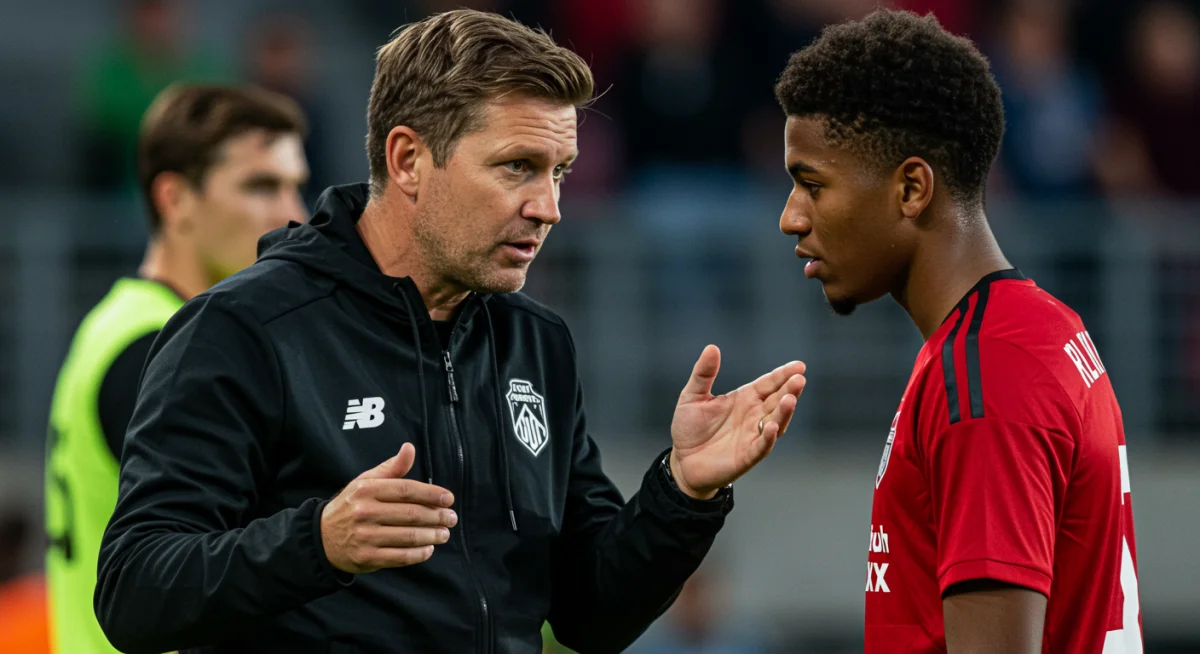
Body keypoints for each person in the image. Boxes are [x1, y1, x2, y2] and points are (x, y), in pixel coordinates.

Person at [95, 10, 808, 654]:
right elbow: (133, 591)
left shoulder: (538, 343)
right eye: (517, 168)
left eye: (560, 172)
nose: (550, 207)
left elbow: (589, 614)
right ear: (408, 159)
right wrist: (318, 543)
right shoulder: (245, 330)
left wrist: (681, 492)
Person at [773, 10, 1140, 654]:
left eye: (812, 184)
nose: (790, 218)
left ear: (912, 187)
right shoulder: (1035, 330)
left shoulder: (986, 375)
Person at [45, 83, 309, 654]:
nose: (294, 215)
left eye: (296, 186)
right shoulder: (158, 348)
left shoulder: (120, 324)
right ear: (175, 199)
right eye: (261, 185)